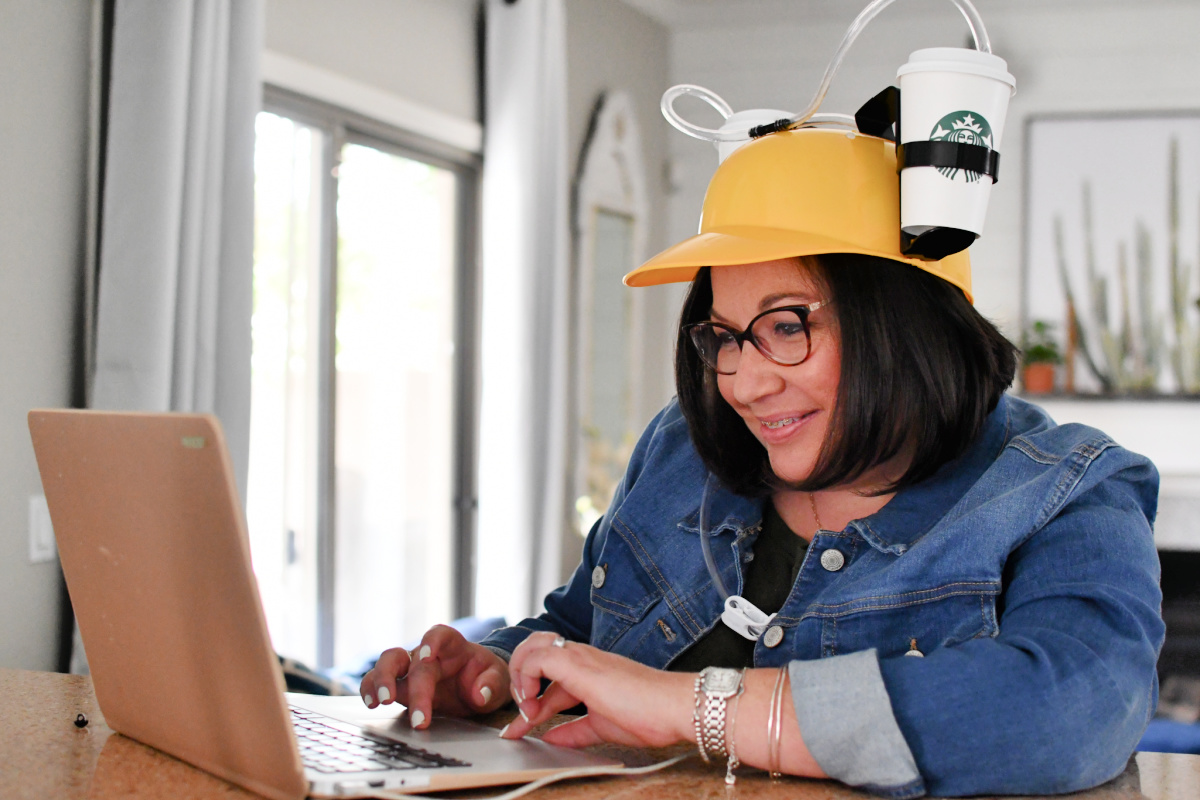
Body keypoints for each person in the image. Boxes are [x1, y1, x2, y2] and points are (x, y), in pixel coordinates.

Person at [359, 127, 1164, 797]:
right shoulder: (682, 447)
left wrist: (694, 708)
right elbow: (581, 630)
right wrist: (499, 669)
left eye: (785, 327)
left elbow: (1072, 710)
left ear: (902, 322)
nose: (743, 381)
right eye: (725, 335)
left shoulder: (1066, 489)